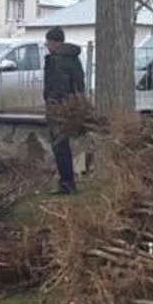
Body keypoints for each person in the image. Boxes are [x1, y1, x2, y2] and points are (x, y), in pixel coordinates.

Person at [42, 26, 86, 194]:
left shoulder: (57, 60)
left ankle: (66, 183)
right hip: (70, 107)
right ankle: (67, 182)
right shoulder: (74, 58)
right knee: (63, 145)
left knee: (59, 146)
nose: (47, 45)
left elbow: (56, 86)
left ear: (55, 42)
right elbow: (79, 84)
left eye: (48, 42)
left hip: (58, 109)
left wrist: (52, 102)